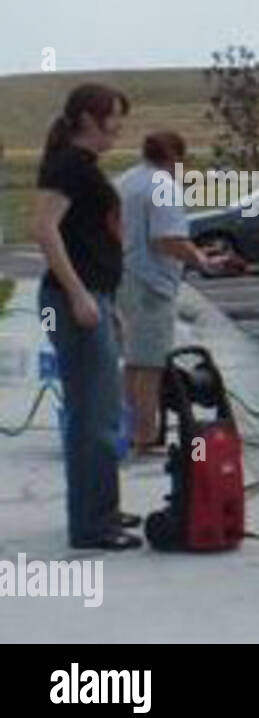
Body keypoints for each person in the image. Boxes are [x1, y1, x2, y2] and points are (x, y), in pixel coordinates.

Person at [30, 83, 141, 550]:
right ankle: (92, 526)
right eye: (113, 116)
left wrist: (106, 303)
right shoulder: (70, 166)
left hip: (96, 299)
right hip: (76, 302)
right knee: (92, 417)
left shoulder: (84, 167)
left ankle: (104, 508)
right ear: (89, 119)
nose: (119, 125)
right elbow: (43, 228)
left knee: (105, 412)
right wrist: (79, 295)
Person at [117, 131, 228, 454]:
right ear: (174, 156)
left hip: (124, 276)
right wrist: (203, 260)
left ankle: (127, 432)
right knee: (150, 364)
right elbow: (167, 240)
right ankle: (145, 437)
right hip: (150, 283)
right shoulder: (163, 186)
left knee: (132, 362)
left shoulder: (125, 181)